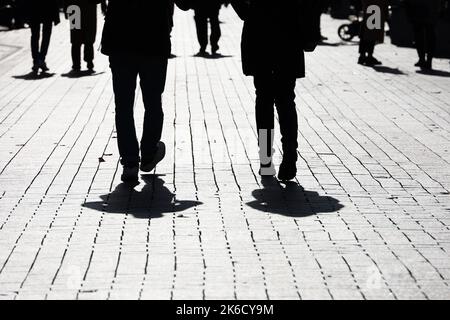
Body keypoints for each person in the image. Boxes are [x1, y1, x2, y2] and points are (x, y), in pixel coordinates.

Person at [97, 0, 190, 182]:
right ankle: (148, 152)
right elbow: (186, 3)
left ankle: (130, 162)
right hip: (153, 41)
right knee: (153, 101)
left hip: (121, 41)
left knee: (123, 106)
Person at [230, 0, 318, 181]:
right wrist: (310, 30)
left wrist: (250, 11)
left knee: (264, 100)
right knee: (285, 100)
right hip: (288, 35)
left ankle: (266, 158)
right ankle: (289, 156)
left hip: (259, 35)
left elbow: (241, 7)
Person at [64, 0, 107, 73]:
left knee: (76, 38)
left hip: (75, 9)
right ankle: (89, 61)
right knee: (89, 37)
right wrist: (103, 6)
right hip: (89, 9)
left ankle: (76, 64)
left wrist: (66, 7)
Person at [23, 0, 61, 73]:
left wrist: (25, 14)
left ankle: (36, 60)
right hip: (47, 9)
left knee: (35, 36)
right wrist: (56, 16)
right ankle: (41, 59)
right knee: (46, 35)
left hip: (34, 9)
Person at [404, 0, 442, 70]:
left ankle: (423, 59)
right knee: (429, 33)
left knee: (419, 33)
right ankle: (427, 60)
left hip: (418, 7)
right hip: (429, 7)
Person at [358, 0, 388, 66]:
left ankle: (362, 56)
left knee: (365, 35)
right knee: (372, 35)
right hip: (376, 13)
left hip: (369, 12)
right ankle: (369, 56)